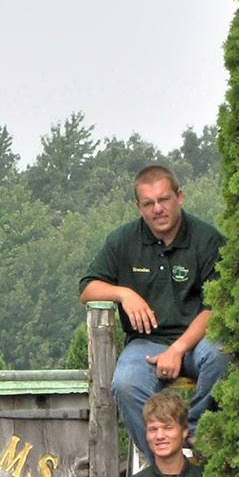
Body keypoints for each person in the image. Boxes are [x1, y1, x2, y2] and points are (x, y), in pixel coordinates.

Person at [80, 163, 227, 450]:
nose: (157, 209)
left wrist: (178, 349)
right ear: (139, 207)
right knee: (125, 383)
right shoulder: (123, 241)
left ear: (179, 197)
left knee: (223, 354)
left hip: (198, 342)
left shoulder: (207, 239)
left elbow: (215, 307)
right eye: (148, 203)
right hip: (146, 344)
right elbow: (87, 288)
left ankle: (196, 435)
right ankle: (161, 463)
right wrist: (123, 293)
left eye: (164, 200)